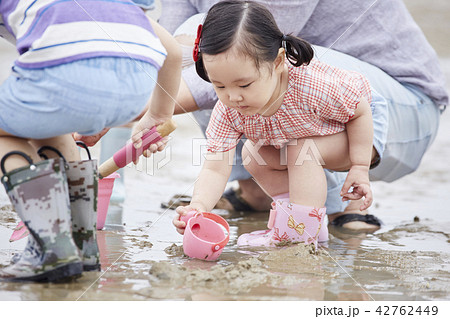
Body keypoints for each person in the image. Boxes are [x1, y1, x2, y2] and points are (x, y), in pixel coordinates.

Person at [159, 0, 448, 232]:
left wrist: (359, 167)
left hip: (362, 125)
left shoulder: (311, 84)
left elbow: (361, 108)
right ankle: (292, 217)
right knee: (253, 153)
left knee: (301, 150)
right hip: (306, 128)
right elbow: (214, 167)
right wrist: (198, 206)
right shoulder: (229, 107)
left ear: (279, 62)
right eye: (219, 86)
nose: (233, 97)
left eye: (244, 84)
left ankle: (302, 232)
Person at [0, 0, 181, 282]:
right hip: (135, 85)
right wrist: (158, 113)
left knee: (9, 126)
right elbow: (172, 50)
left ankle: (52, 248)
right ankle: (81, 245)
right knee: (45, 122)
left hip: (63, 74)